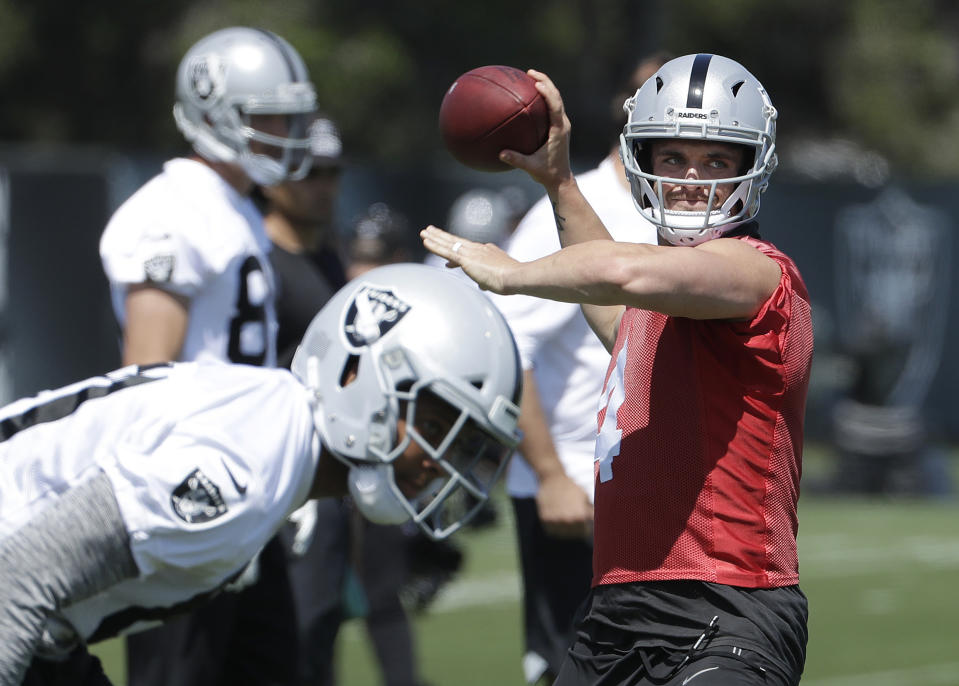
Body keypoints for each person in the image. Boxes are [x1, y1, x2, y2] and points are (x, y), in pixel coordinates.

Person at [422, 53, 812, 686]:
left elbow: (620, 271)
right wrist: (560, 185)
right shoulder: (651, 312)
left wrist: (513, 274)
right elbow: (611, 295)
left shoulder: (760, 271)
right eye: (674, 159)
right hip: (615, 611)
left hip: (726, 607)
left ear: (751, 167)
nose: (693, 179)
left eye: (716, 159)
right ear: (643, 163)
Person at [0, 263, 523, 686]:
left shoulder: (272, 441)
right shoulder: (242, 470)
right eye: (432, 425)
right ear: (357, 376)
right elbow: (16, 580)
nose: (438, 461)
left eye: (459, 442)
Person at [98, 26, 317, 685]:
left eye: (290, 115)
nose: (285, 131)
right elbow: (147, 376)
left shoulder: (236, 207)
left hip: (246, 489)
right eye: (268, 116)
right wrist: (189, 510)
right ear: (211, 111)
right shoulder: (172, 210)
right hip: (193, 497)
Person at [483, 54, 664, 686]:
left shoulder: (681, 213)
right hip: (574, 493)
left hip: (645, 491)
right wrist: (550, 473)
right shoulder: (570, 209)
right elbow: (506, 348)